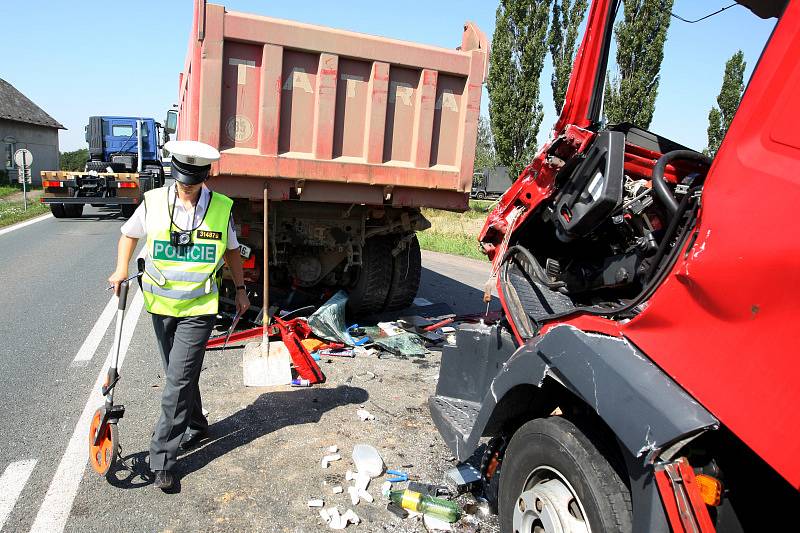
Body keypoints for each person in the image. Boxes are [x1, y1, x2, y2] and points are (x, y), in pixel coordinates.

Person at [108, 140, 250, 490]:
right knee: (179, 373)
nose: (186, 190)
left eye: (193, 183)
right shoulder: (155, 201)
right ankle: (198, 424)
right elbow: (129, 234)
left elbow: (232, 251)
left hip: (199, 308)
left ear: (205, 177)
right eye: (181, 182)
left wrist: (242, 289)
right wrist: (120, 269)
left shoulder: (221, 207)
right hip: (161, 305)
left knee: (178, 380)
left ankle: (163, 459)